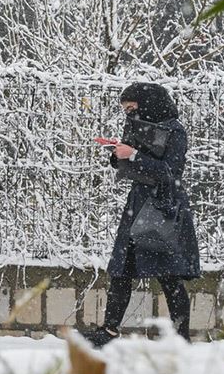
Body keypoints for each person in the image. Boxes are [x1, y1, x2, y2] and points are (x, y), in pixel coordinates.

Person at [85, 82, 201, 347]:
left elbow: (171, 172)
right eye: (126, 110)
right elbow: (134, 162)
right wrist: (118, 154)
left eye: (131, 108)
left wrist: (134, 154)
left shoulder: (175, 130)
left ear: (147, 104)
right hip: (137, 205)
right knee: (121, 270)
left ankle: (181, 338)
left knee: (169, 275)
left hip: (165, 208)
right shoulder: (137, 125)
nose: (128, 114)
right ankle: (109, 330)